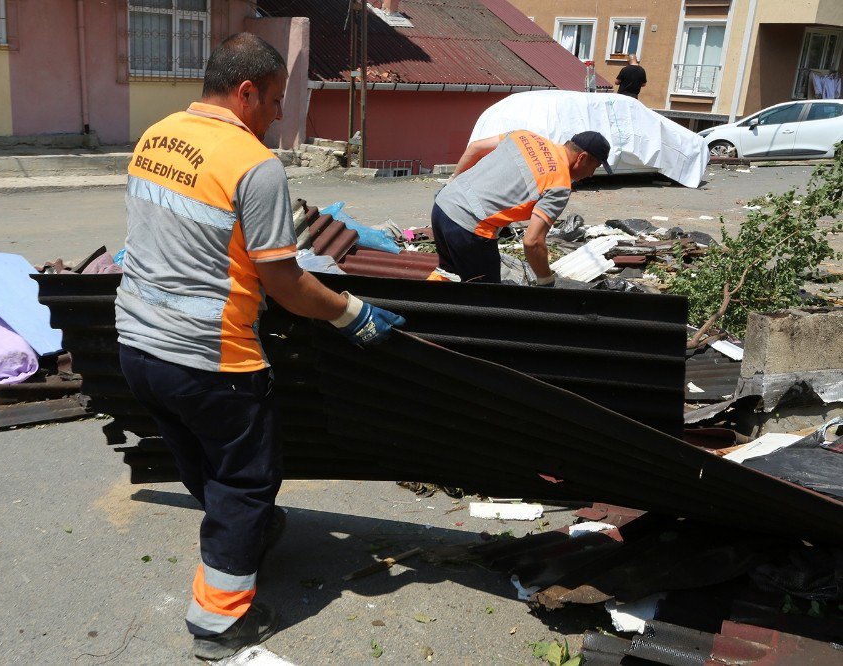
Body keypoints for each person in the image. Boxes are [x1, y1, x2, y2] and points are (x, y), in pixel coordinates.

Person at [114, 33, 404, 661]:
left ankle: (244, 536)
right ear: (245, 91)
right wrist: (354, 314)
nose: (278, 114)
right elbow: (286, 283)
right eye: (274, 100)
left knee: (199, 457)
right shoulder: (254, 164)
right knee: (247, 481)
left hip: (137, 345)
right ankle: (218, 622)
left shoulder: (157, 135)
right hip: (211, 359)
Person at [432, 131, 611, 286]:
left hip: (442, 206)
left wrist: (453, 181)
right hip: (468, 228)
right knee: (486, 300)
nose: (591, 174)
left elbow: (475, 147)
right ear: (582, 157)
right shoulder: (559, 185)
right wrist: (545, 281)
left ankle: (421, 312)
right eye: (594, 167)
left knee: (448, 273)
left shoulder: (524, 136)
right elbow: (532, 242)